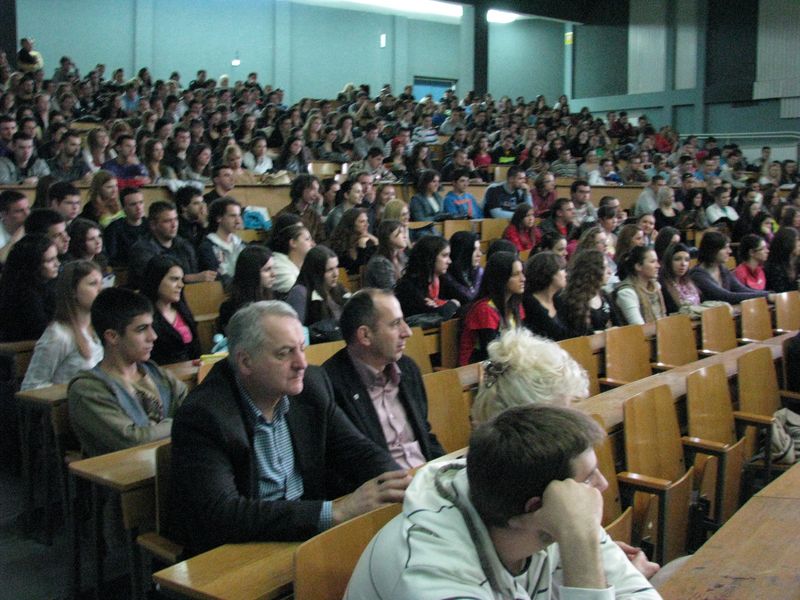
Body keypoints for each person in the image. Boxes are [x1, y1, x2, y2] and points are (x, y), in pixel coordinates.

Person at [345, 404, 660, 599]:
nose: (603, 485)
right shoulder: (430, 572)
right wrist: (581, 547)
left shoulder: (551, 508)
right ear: (535, 509)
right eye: (588, 479)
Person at [168, 300, 408, 555]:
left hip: (305, 534)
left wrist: (401, 485)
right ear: (246, 362)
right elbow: (222, 514)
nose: (301, 363)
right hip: (237, 550)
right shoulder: (204, 414)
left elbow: (358, 451)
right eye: (285, 353)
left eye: (302, 348)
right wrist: (335, 511)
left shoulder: (312, 386)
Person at [323, 289, 445, 468]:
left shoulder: (408, 369)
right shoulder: (330, 386)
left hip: (425, 474)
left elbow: (425, 434)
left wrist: (445, 468)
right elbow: (341, 465)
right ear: (365, 335)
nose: (407, 332)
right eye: (395, 324)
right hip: (383, 481)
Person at [67, 287, 187, 457]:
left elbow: (196, 412)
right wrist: (182, 424)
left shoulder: (158, 375)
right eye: (141, 329)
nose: (153, 336)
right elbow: (133, 440)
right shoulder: (88, 389)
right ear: (112, 336)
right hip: (123, 471)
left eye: (151, 326)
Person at [21, 260, 104, 390]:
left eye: (101, 283)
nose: (101, 290)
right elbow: (31, 387)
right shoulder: (58, 335)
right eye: (93, 284)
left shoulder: (100, 329)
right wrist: (72, 392)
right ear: (73, 291)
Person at [129, 201, 216, 289]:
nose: (174, 225)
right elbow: (154, 280)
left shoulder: (184, 245)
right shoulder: (141, 249)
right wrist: (191, 278)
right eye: (167, 221)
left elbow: (195, 270)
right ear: (153, 225)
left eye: (175, 219)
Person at [459, 251, 525, 365]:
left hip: (505, 364)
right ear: (501, 278)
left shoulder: (515, 306)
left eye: (522, 273)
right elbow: (490, 353)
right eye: (516, 274)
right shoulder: (485, 310)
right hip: (476, 368)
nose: (523, 278)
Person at [140, 255, 201, 365]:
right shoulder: (142, 316)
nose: (181, 285)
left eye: (181, 280)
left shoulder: (183, 311)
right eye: (174, 279)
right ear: (156, 280)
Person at [0, 234, 59, 341]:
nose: (57, 264)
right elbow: (42, 335)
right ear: (34, 264)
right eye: (50, 260)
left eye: (56, 258)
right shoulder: (25, 295)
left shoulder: (46, 285)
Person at [690, 231, 771, 303]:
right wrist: (767, 296)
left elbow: (742, 290)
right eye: (725, 248)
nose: (730, 251)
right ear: (713, 250)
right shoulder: (698, 275)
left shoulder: (722, 269)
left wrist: (769, 294)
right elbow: (726, 296)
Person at [394, 235, 460, 321]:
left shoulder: (442, 279)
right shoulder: (408, 287)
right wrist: (454, 303)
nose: (449, 261)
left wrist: (444, 305)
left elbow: (466, 301)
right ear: (430, 258)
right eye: (444, 256)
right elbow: (438, 316)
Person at [286, 245, 350, 330]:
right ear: (316, 272)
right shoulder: (300, 293)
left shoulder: (339, 288)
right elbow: (295, 330)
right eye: (329, 270)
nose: (336, 274)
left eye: (336, 267)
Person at [218, 245, 275, 333]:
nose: (274, 274)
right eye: (267, 270)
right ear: (251, 272)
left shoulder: (274, 299)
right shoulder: (230, 309)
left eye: (273, 268)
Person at [557, 249, 614, 337]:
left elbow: (619, 324)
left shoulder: (604, 295)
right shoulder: (570, 300)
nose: (610, 272)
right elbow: (576, 334)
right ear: (592, 271)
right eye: (604, 267)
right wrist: (605, 333)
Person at [523, 251, 571, 341]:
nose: (566, 274)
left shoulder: (560, 300)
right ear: (548, 273)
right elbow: (556, 334)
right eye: (562, 269)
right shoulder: (529, 304)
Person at [613, 246, 667, 325]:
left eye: (657, 261)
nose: (658, 266)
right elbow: (639, 327)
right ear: (638, 266)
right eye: (652, 262)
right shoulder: (626, 293)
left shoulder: (656, 286)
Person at [198, 197, 245, 282]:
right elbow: (216, 277)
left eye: (239, 215)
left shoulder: (242, 245)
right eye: (233, 216)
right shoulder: (207, 247)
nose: (238, 221)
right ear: (219, 218)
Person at [269, 214, 315, 296]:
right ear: (293, 242)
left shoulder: (302, 262)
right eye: (307, 239)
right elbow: (301, 293)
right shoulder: (277, 266)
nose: (313, 244)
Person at [103, 187, 148, 267]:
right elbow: (111, 257)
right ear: (123, 208)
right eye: (133, 204)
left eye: (141, 202)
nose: (139, 208)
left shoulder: (152, 225)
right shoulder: (113, 229)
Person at [276, 174, 326, 243]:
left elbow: (322, 239)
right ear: (300, 189)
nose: (316, 194)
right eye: (312, 189)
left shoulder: (314, 215)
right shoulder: (283, 215)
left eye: (317, 190)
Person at [328, 208, 377, 275]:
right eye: (362, 222)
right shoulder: (338, 244)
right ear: (351, 224)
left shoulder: (369, 241)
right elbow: (356, 271)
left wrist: (376, 242)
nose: (367, 224)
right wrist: (361, 247)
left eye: (367, 221)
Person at [440, 230, 484, 306]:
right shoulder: (445, 275)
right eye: (474, 250)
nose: (479, 254)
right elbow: (470, 297)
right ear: (463, 251)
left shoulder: (478, 271)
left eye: (479, 249)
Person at [363, 219, 407, 290]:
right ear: (388, 237)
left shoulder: (402, 256)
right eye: (400, 233)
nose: (405, 236)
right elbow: (391, 290)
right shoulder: (379, 263)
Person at [659, 242, 702, 314]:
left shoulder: (690, 281)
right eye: (677, 259)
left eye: (687, 260)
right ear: (669, 261)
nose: (683, 264)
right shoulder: (662, 285)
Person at [764, 226, 799, 293]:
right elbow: (781, 291)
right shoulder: (774, 267)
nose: (799, 244)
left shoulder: (796, 262)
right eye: (797, 240)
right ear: (787, 243)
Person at [0, 190, 31, 263]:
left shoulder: (34, 228)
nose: (27, 214)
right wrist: (16, 238)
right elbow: (1, 260)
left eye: (28, 208)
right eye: (20, 211)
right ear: (4, 214)